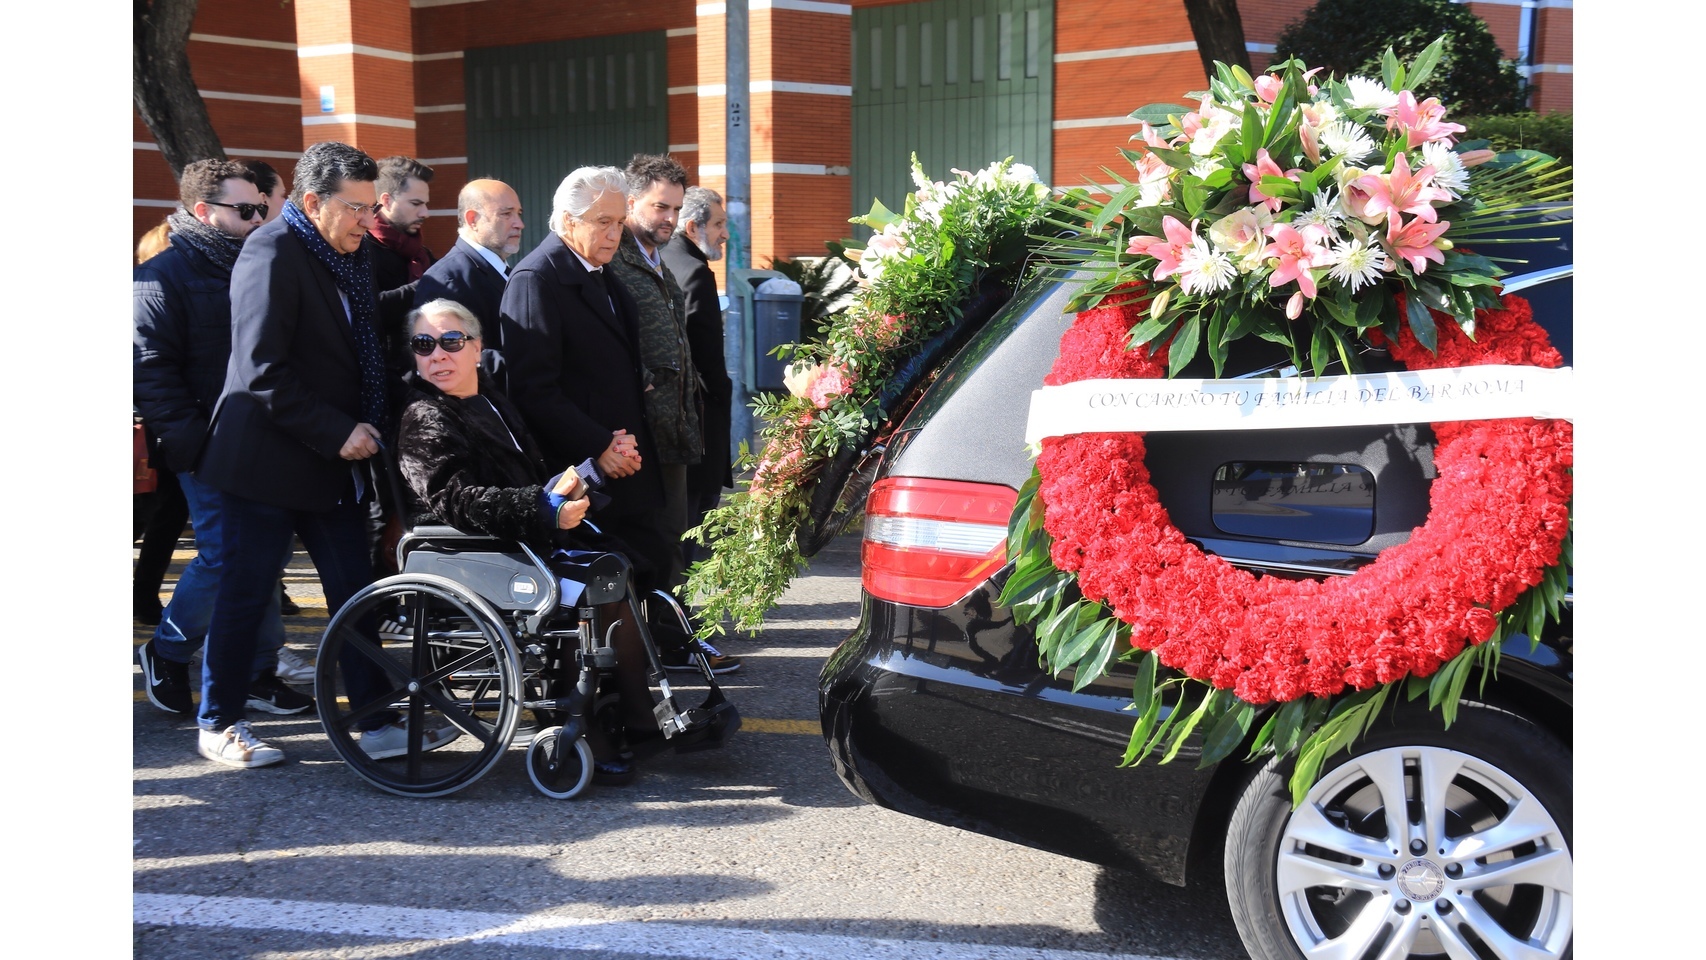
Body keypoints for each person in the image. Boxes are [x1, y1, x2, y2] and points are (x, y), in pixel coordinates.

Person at [191, 141, 407, 768]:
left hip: (327, 461)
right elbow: (261, 369)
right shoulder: (271, 251)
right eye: (357, 208)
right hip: (266, 461)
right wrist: (338, 430)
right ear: (312, 202)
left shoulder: (354, 251)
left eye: (373, 208)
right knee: (246, 589)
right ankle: (219, 722)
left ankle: (375, 719)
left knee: (352, 589)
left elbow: (359, 336)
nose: (370, 221)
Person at [395, 298, 656, 784]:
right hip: (474, 554)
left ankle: (637, 712)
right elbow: (459, 501)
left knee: (624, 574)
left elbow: (535, 478)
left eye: (451, 341)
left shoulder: (490, 400)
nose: (438, 355)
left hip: (518, 543)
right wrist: (542, 508)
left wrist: (586, 475)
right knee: (602, 589)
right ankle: (595, 719)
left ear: (477, 348)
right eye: (424, 344)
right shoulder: (425, 418)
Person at [502, 166, 740, 675]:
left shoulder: (601, 270)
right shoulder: (537, 279)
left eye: (616, 222)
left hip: (634, 454)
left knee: (652, 559)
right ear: (567, 221)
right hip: (587, 469)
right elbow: (533, 389)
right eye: (602, 222)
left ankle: (645, 676)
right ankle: (614, 695)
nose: (614, 234)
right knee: (605, 591)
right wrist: (597, 444)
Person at [134, 159, 316, 723]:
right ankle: (166, 650)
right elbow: (152, 374)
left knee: (264, 555)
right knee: (225, 554)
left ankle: (257, 670)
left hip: (262, 441)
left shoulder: (258, 262)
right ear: (202, 211)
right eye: (245, 210)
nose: (258, 217)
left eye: (261, 207)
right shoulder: (161, 276)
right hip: (206, 448)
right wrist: (196, 446)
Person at [608, 155, 701, 590]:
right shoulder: (613, 260)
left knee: (674, 540)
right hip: (637, 431)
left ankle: (674, 638)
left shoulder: (657, 260)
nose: (671, 219)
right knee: (657, 544)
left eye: (677, 209)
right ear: (630, 203)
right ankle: (669, 645)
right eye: (660, 207)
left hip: (673, 426)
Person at [660, 186, 733, 568]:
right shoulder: (694, 273)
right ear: (693, 227)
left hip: (673, 424)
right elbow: (706, 361)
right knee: (692, 531)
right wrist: (723, 392)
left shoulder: (660, 261)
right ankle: (681, 621)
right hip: (698, 426)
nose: (725, 234)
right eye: (719, 224)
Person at [413, 178, 524, 386]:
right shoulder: (445, 280)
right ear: (472, 219)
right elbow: (448, 359)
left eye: (519, 214)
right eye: (506, 214)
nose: (519, 223)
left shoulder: (501, 270)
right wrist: (539, 364)